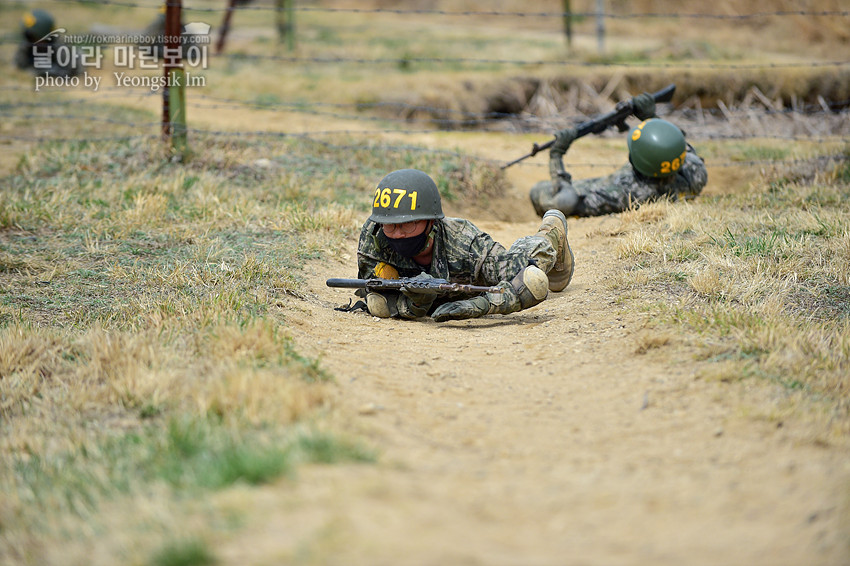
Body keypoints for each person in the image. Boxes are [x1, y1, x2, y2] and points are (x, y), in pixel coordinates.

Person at [355, 168, 574, 321]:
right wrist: (415, 305)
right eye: (390, 226)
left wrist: (482, 306)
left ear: (431, 221)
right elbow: (375, 293)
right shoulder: (376, 234)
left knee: (529, 263)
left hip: (480, 275)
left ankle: (552, 233)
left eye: (409, 224)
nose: (398, 234)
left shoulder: (467, 245)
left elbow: (529, 283)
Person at [529, 93, 708, 218]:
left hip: (585, 189)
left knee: (540, 191)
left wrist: (556, 156)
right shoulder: (696, 173)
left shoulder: (625, 193)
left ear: (635, 160)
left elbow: (565, 202)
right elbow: (673, 143)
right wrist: (650, 117)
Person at [14, 9, 80, 78]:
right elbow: (19, 64)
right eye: (28, 36)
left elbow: (67, 72)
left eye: (32, 36)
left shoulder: (60, 49)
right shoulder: (27, 45)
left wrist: (43, 72)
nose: (30, 40)